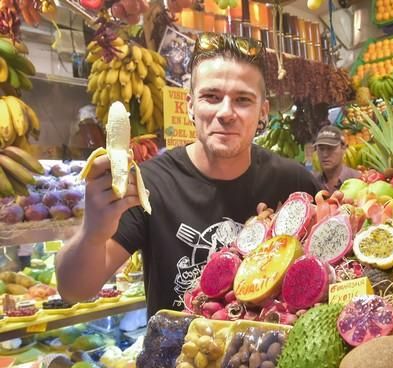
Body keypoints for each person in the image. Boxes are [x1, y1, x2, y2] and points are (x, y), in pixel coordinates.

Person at [56, 33, 321, 317]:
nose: (226, 112)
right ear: (190, 106)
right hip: (177, 359)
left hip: (268, 356)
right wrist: (92, 234)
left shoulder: (294, 184)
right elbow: (74, 290)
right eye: (211, 97)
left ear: (262, 112)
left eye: (243, 99)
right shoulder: (150, 184)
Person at [313, 125, 360, 193]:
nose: (325, 154)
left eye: (330, 148)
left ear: (343, 148)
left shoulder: (357, 179)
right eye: (321, 149)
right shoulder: (313, 182)